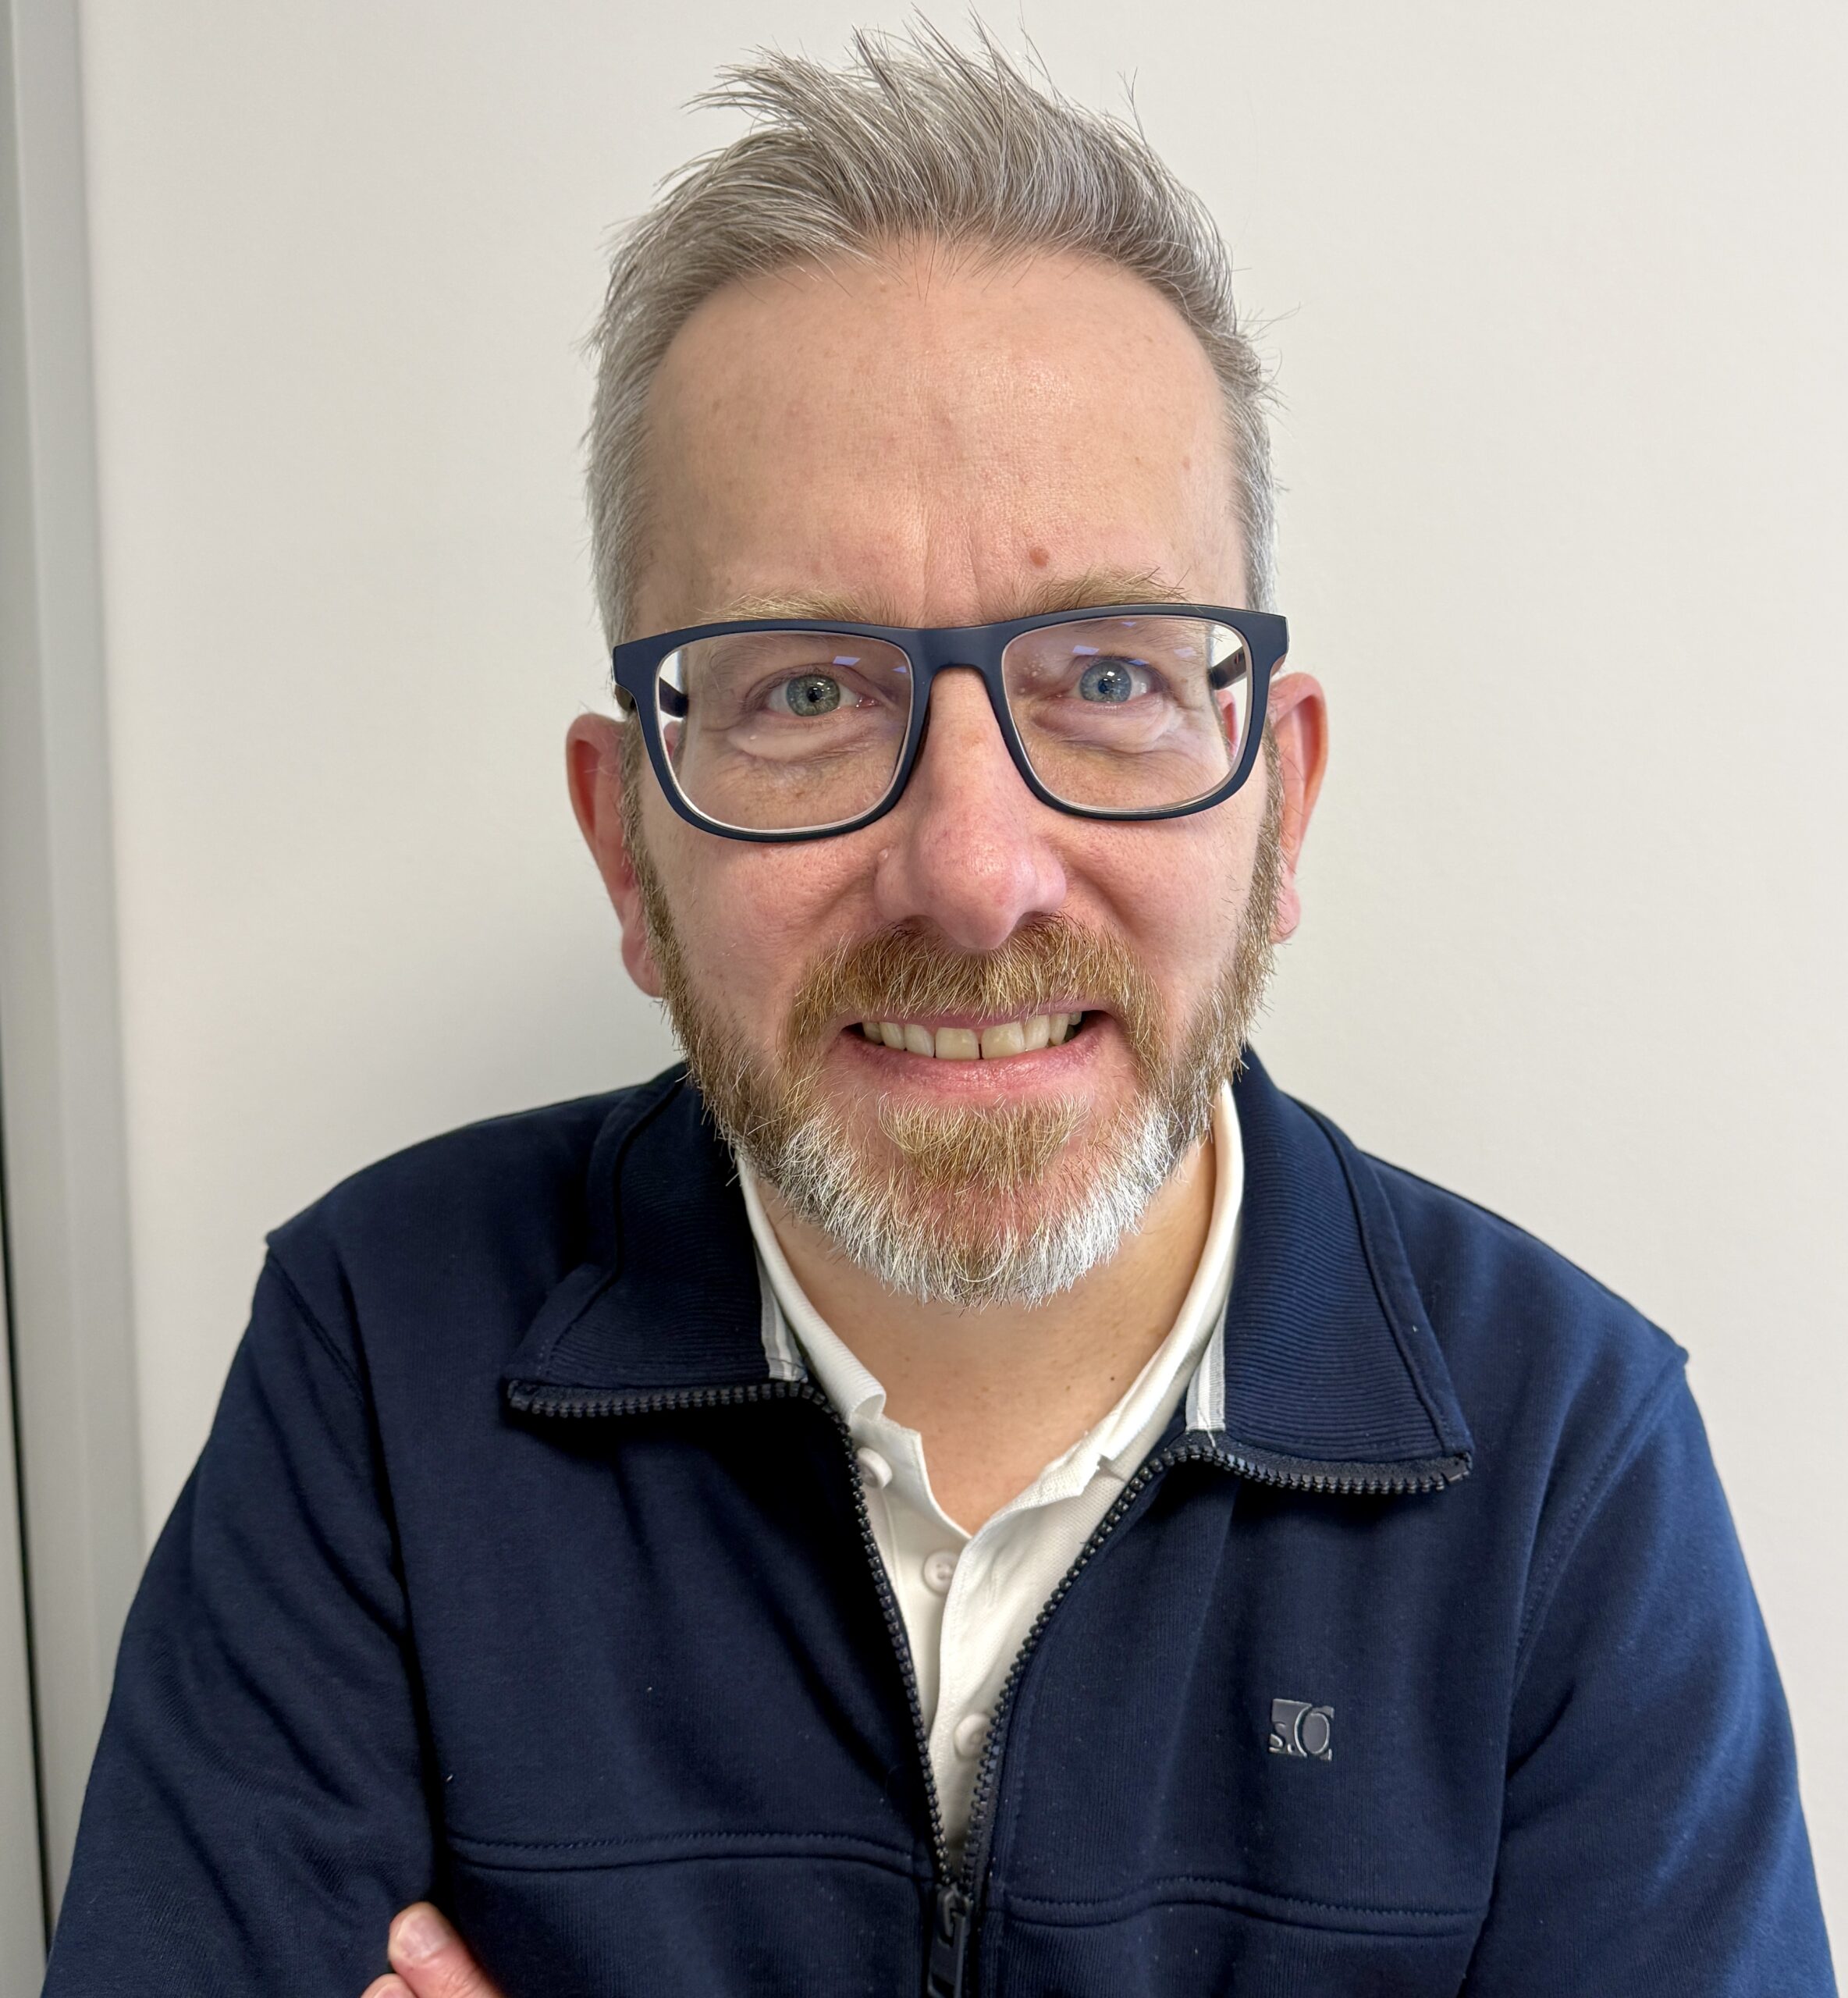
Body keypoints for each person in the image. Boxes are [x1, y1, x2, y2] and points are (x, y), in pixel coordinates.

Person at [43, 28, 1834, 1998]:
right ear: (627, 841)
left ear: (1279, 803)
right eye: (807, 692)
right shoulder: (381, 1354)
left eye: (1109, 676)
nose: (974, 873)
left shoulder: (1564, 1462)